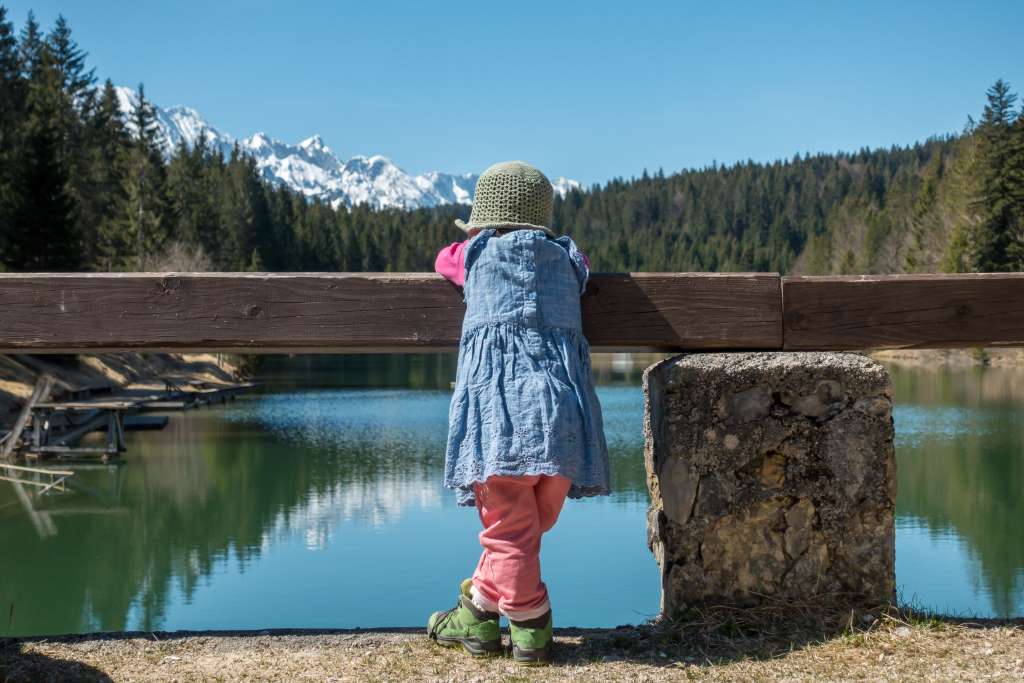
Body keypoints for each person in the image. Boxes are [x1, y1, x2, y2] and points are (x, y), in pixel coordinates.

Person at [426, 161, 610, 665]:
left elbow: (446, 259)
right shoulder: (570, 260)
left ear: (484, 222)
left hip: (501, 414)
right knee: (525, 528)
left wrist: (472, 240)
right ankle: (478, 614)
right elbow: (588, 266)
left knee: (509, 532)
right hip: (562, 413)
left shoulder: (474, 254)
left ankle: (531, 622)